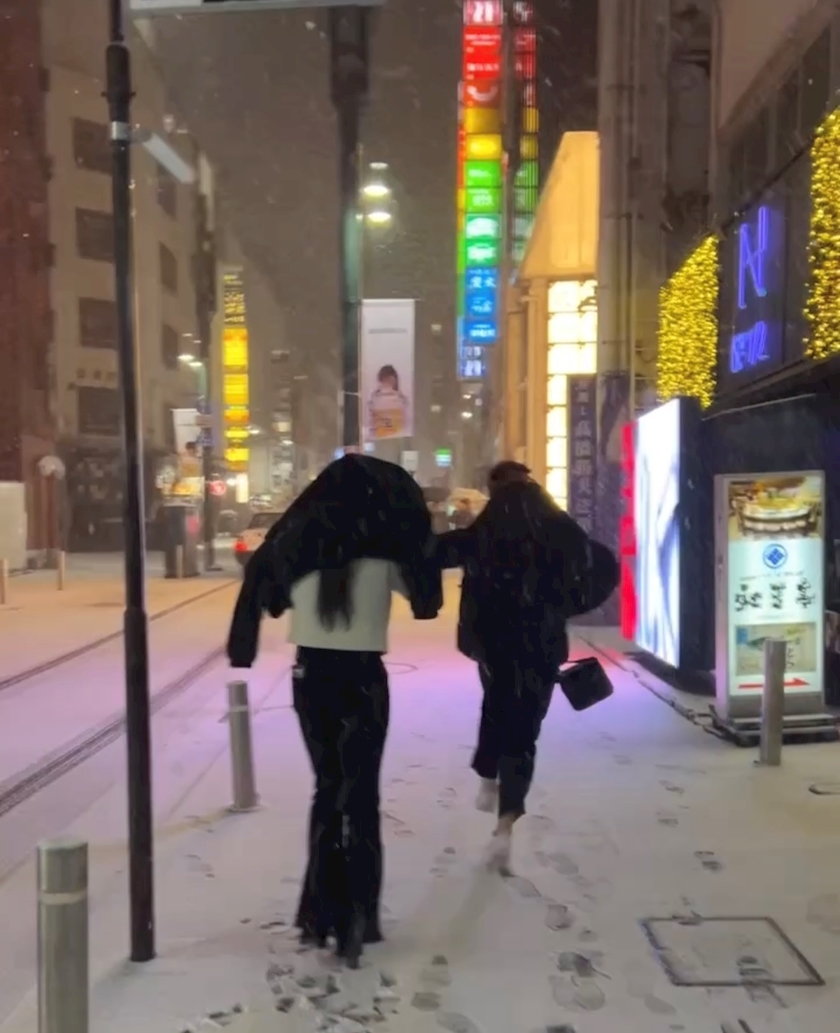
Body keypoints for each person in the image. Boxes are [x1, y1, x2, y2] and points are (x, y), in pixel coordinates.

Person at [227, 454, 442, 966]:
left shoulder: (298, 550)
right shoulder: (384, 557)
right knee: (362, 794)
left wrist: (245, 643)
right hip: (365, 678)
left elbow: (266, 590)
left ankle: (321, 910)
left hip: (312, 678)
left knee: (327, 789)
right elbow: (425, 593)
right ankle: (361, 914)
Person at [437, 461, 616, 874]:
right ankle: (506, 820)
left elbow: (442, 551)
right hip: (542, 644)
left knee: (495, 706)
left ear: (494, 486)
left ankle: (487, 775)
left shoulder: (488, 526)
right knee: (524, 733)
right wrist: (571, 603)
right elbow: (601, 564)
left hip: (494, 644)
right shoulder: (558, 525)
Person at [367, 364, 410, 439]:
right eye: (385, 380)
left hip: (394, 438)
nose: (386, 384)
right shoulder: (375, 399)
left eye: (388, 380)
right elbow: (371, 424)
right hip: (382, 438)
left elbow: (405, 424)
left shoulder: (401, 399)